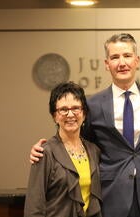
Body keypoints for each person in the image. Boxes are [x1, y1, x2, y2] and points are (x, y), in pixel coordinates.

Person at [30, 33, 140, 217]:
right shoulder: (93, 105)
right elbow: (75, 139)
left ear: (137, 60)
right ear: (107, 64)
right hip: (110, 198)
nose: (121, 62)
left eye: (127, 55)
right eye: (115, 57)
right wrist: (45, 150)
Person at [24, 81, 102, 217]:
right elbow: (34, 207)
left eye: (76, 108)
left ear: (84, 114)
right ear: (54, 116)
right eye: (63, 109)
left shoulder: (93, 150)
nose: (70, 114)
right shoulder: (45, 152)